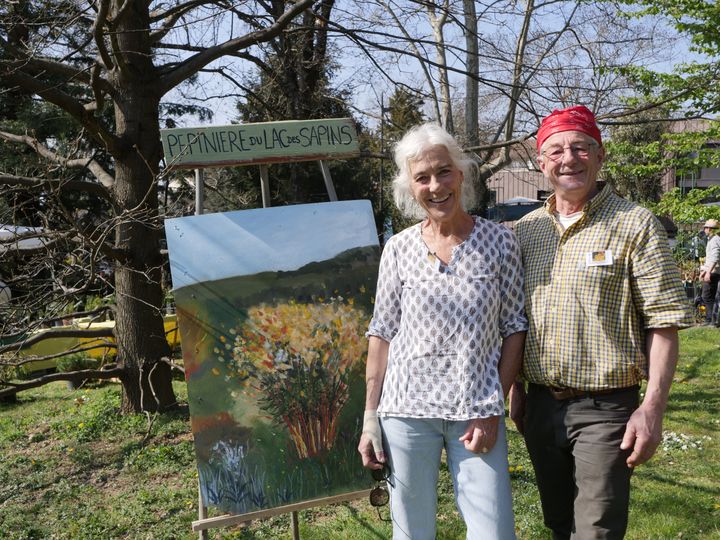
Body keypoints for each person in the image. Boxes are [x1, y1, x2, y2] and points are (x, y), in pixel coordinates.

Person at [510, 105, 694, 540]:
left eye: (579, 147)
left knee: (596, 531)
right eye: (555, 151)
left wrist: (651, 409)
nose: (567, 159)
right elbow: (512, 319)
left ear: (600, 155)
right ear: (541, 163)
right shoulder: (523, 231)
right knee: (559, 524)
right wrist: (517, 391)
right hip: (539, 407)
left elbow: (664, 323)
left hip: (606, 409)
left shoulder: (635, 224)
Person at [358, 122, 527, 540]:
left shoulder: (500, 242)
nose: (435, 186)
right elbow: (381, 333)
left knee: (494, 533)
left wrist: (493, 406)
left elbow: (514, 328)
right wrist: (369, 418)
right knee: (412, 532)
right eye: (422, 177)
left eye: (443, 171)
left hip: (476, 411)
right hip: (406, 412)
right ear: (410, 188)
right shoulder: (398, 248)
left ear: (461, 174)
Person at [699, 218, 720, 326]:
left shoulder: (715, 240)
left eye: (706, 227)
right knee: (709, 296)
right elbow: (710, 258)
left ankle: (711, 320)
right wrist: (704, 271)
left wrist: (708, 272)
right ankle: (710, 320)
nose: (704, 229)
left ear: (710, 229)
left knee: (707, 296)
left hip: (714, 272)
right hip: (712, 271)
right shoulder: (712, 239)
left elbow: (715, 257)